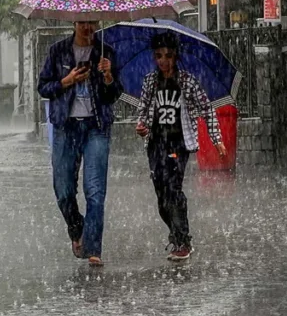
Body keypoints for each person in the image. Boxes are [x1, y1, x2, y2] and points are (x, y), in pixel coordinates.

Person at [38, 20, 123, 267]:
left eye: (91, 23)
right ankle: (77, 229)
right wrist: (67, 80)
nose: (87, 28)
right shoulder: (58, 51)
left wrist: (108, 76)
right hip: (66, 126)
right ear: (74, 23)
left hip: (96, 127)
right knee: (63, 190)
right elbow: (43, 87)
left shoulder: (106, 52)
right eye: (82, 23)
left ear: (97, 23)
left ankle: (93, 247)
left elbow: (114, 94)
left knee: (95, 190)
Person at [136, 32, 226, 261]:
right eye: (158, 56)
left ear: (175, 56)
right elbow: (144, 111)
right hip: (155, 144)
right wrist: (142, 126)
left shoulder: (187, 81)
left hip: (178, 143)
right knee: (161, 196)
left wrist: (217, 139)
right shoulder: (150, 81)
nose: (163, 61)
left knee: (173, 189)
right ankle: (175, 233)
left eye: (167, 55)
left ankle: (182, 240)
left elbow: (206, 109)